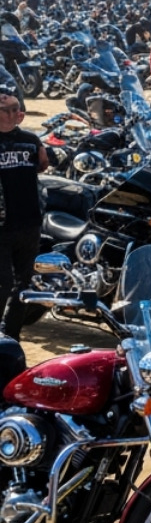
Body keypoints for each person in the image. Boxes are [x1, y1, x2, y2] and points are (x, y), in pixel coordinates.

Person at [0, 90, 46, 349]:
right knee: (3, 281)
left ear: (17, 115)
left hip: (29, 222)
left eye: (7, 105)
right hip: (1, 227)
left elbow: (43, 164)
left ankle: (10, 335)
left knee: (23, 285)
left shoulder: (31, 140)